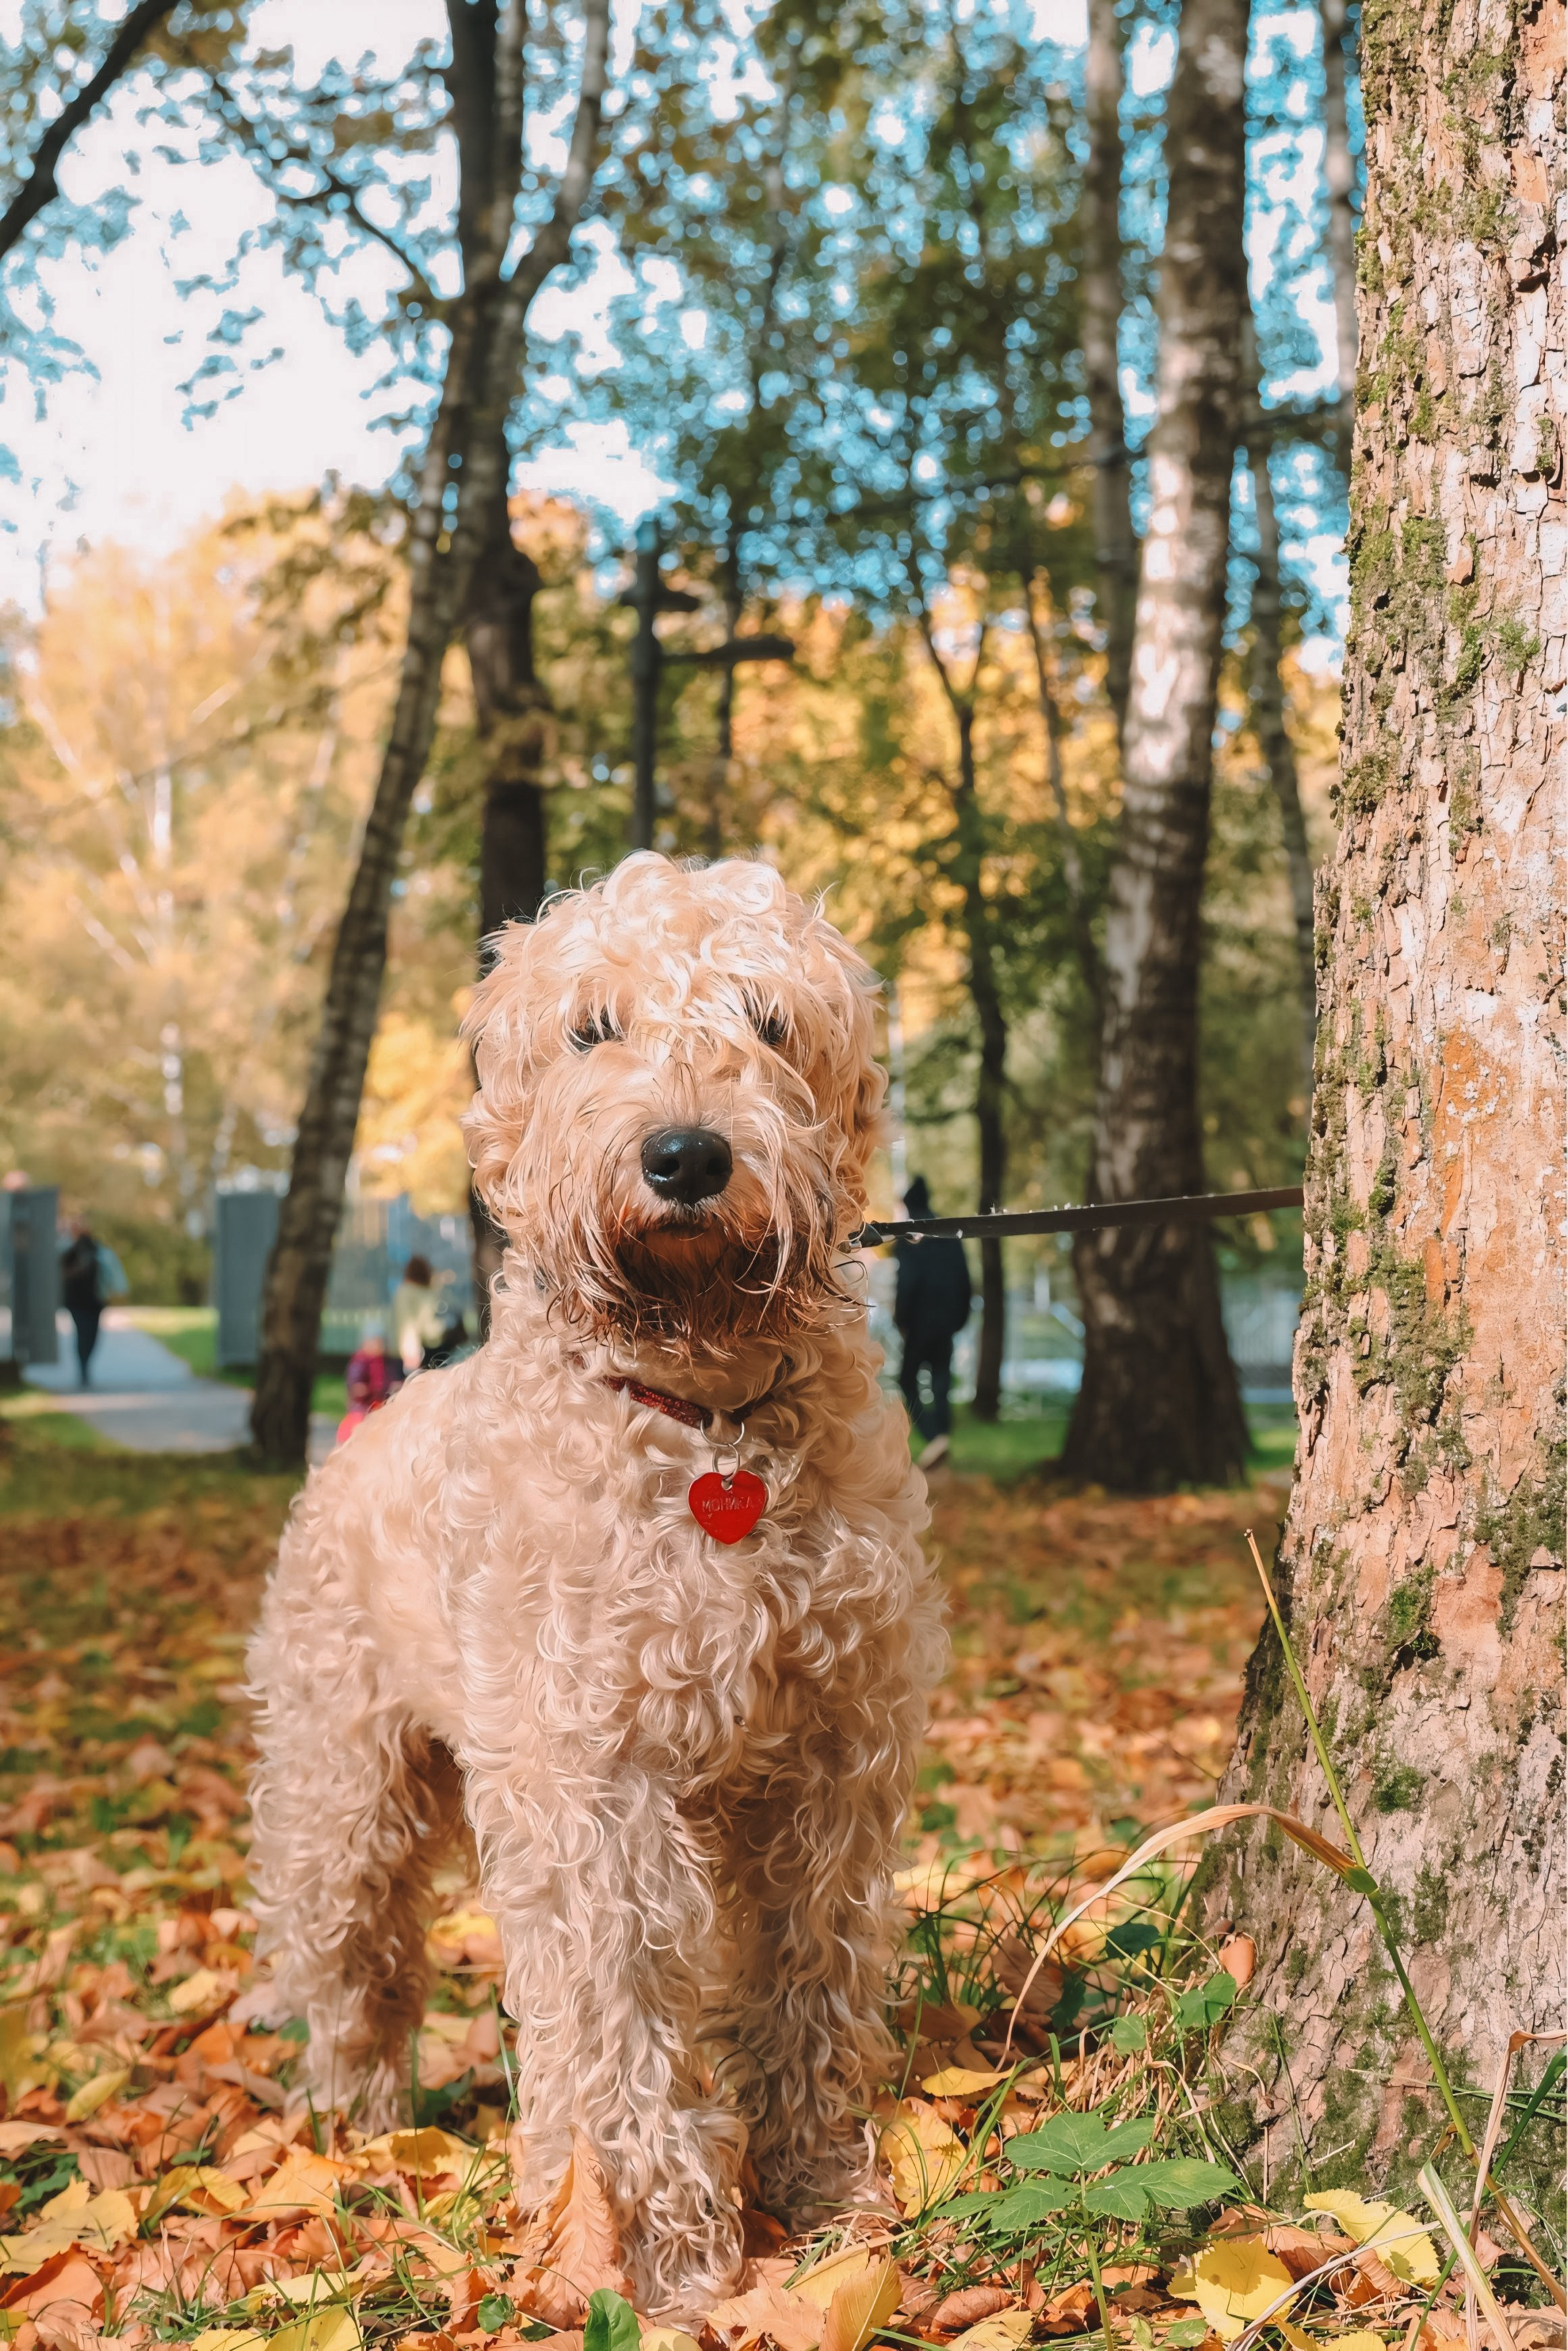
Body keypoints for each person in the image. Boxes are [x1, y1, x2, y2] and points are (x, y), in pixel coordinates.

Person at [892, 1176, 973, 1469]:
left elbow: (907, 1282)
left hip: (918, 1323)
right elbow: (966, 1278)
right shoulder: (948, 1233)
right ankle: (942, 1438)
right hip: (947, 1322)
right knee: (940, 1382)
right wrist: (960, 1318)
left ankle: (933, 1438)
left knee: (907, 1380)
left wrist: (901, 1319)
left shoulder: (910, 1238)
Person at [57, 1217, 128, 1389]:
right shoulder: (69, 1252)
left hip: (94, 1302)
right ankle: (83, 1369)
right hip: (76, 1302)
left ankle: (85, 1366)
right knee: (83, 1334)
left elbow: (112, 1273)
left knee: (92, 1336)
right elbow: (61, 1272)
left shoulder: (98, 1251)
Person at [337, 1317, 405, 1446]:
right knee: (357, 1427)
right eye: (373, 1342)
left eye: (380, 1342)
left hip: (382, 1406)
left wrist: (395, 1387)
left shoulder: (388, 1362)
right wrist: (371, 1389)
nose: (377, 1346)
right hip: (363, 1408)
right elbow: (356, 1386)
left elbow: (394, 1380)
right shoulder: (360, 1362)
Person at [391, 1255, 448, 1373]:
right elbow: (407, 1324)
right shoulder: (422, 1293)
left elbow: (406, 1323)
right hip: (425, 1350)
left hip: (419, 1350)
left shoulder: (407, 1292)